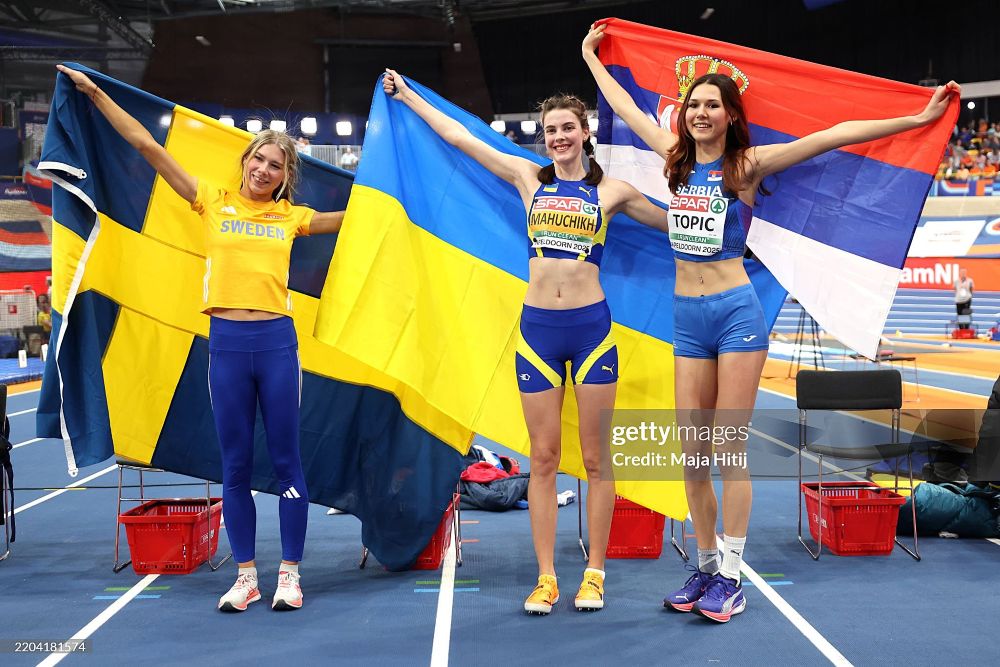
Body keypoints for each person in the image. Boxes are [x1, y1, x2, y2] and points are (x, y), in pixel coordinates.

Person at [582, 23, 959, 623]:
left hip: (735, 316)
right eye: (693, 105)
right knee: (692, 456)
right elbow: (626, 106)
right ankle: (706, 566)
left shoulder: (746, 166)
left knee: (728, 451)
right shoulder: (674, 159)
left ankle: (732, 576)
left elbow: (832, 136)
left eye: (712, 105)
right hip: (687, 321)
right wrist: (591, 57)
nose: (700, 113)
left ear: (730, 115)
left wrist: (917, 119)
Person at [56, 64, 346, 613]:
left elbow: (363, 220)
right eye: (259, 159)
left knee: (287, 462)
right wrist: (94, 94)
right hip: (227, 347)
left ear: (285, 177)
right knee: (234, 466)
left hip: (277, 347)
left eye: (276, 165)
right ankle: (246, 577)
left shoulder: (293, 217)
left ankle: (289, 574)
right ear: (245, 160)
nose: (264, 169)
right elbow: (147, 146)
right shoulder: (211, 199)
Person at [382, 68, 667, 614]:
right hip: (538, 333)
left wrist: (731, 208)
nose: (558, 137)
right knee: (542, 458)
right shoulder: (527, 178)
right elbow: (459, 138)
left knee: (596, 459)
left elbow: (679, 227)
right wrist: (410, 97)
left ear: (584, 132)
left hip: (592, 333)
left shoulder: (613, 191)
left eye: (567, 128)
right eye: (550, 130)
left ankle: (595, 573)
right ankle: (546, 577)